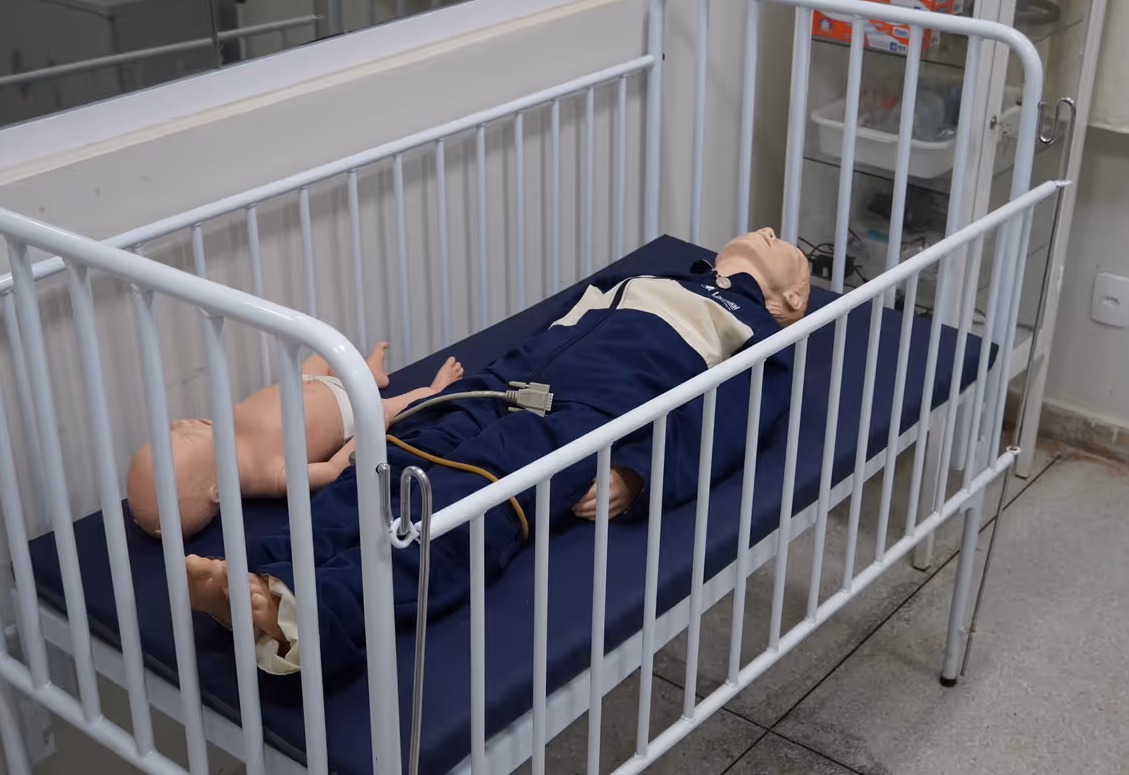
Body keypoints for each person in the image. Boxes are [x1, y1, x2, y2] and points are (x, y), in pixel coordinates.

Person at [185, 228, 812, 675]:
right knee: (384, 469)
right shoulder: (651, 277)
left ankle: (317, 614)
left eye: (783, 244)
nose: (767, 230)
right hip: (501, 383)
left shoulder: (756, 328)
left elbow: (732, 418)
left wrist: (638, 472)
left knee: (468, 501)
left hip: (582, 412)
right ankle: (263, 572)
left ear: (794, 301)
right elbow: (553, 327)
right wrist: (473, 383)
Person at [126, 342, 464, 538]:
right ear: (216, 491)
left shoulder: (225, 428)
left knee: (326, 348)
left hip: (311, 381)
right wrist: (368, 431)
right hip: (351, 411)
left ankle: (369, 374)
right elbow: (331, 470)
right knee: (396, 407)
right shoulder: (268, 475)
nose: (181, 423)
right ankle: (435, 390)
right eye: (185, 437)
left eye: (173, 428)